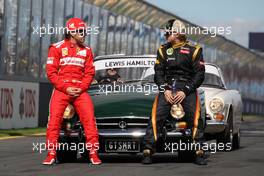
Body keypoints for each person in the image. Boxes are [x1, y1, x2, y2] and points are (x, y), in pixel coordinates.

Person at [142, 19, 207, 165]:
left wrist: (185, 90)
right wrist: (164, 89)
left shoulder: (194, 50)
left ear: (176, 33)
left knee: (195, 117)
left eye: (167, 32)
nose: (165, 35)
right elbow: (158, 73)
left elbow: (199, 75)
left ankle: (199, 152)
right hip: (168, 87)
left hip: (187, 88)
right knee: (156, 115)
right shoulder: (162, 50)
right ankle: (147, 150)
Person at [42, 18, 101, 165]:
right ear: (71, 32)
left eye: (85, 31)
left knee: (89, 120)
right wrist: (65, 87)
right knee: (54, 121)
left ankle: (93, 153)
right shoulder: (56, 48)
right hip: (62, 90)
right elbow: (51, 72)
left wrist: (81, 88)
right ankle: (51, 154)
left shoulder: (87, 51)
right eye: (81, 31)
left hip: (80, 91)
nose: (84, 34)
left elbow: (89, 73)